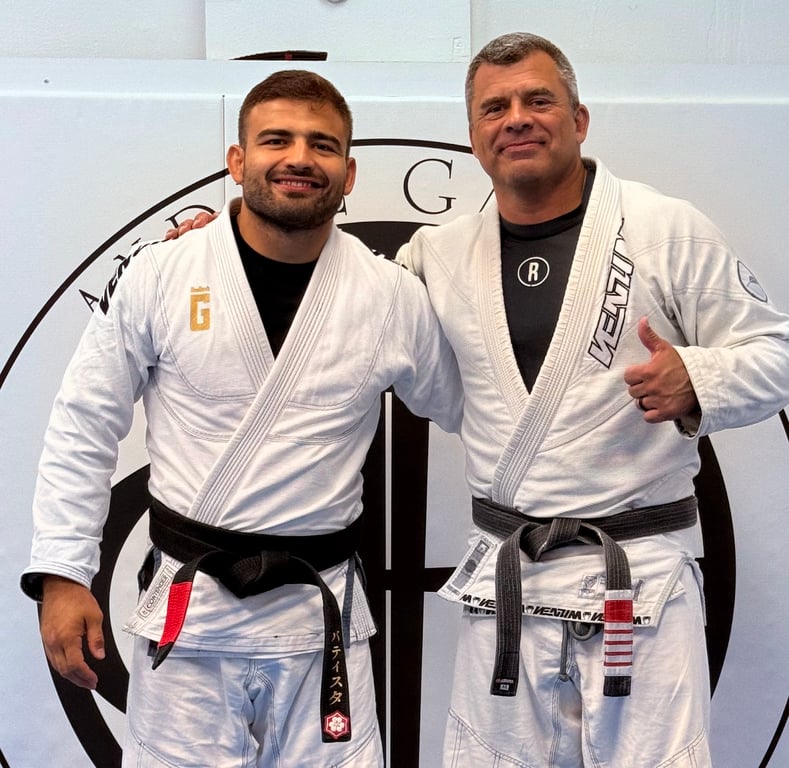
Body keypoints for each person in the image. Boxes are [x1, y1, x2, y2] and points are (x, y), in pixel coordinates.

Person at [21, 70, 463, 768]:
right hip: (190, 611)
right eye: (275, 140)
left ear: (348, 174)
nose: (299, 158)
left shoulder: (389, 295)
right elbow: (84, 422)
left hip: (320, 619)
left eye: (322, 145)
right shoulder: (163, 273)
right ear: (237, 160)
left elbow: (471, 404)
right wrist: (63, 573)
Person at [394, 32, 789, 768]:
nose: (516, 118)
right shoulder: (437, 255)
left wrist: (698, 378)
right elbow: (337, 298)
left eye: (538, 100)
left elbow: (777, 353)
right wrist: (217, 244)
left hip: (637, 583)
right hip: (507, 583)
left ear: (578, 120)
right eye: (494, 108)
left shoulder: (664, 229)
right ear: (475, 137)